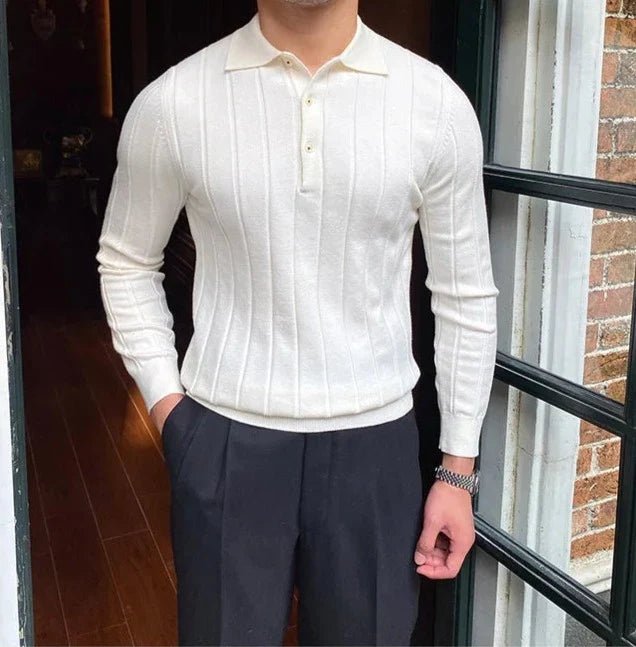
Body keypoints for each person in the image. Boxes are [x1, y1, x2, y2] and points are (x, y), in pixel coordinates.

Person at [95, 0, 499, 644]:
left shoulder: (435, 105)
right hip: (225, 438)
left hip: (376, 449)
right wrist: (170, 410)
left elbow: (465, 295)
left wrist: (457, 469)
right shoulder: (174, 104)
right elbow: (125, 261)